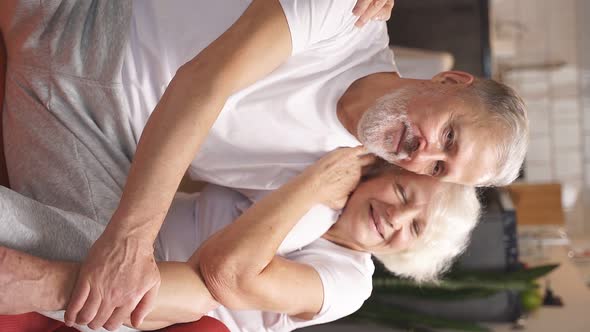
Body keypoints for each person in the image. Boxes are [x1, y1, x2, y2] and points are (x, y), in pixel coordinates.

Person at [0, 0, 524, 329]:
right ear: (451, 82)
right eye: (448, 136)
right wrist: (130, 241)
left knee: (101, 286)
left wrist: (112, 267)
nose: (423, 153)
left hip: (81, 131)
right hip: (86, 22)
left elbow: (219, 280)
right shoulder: (349, 18)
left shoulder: (322, 198)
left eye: (438, 168)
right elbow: (204, 82)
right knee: (113, 264)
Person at [0, 147, 480, 332]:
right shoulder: (328, 176)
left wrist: (312, 184)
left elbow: (226, 274)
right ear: (384, 171)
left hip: (151, 309)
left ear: (412, 253)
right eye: (403, 192)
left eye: (415, 229)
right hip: (124, 221)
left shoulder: (352, 284)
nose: (397, 217)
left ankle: (41, 282)